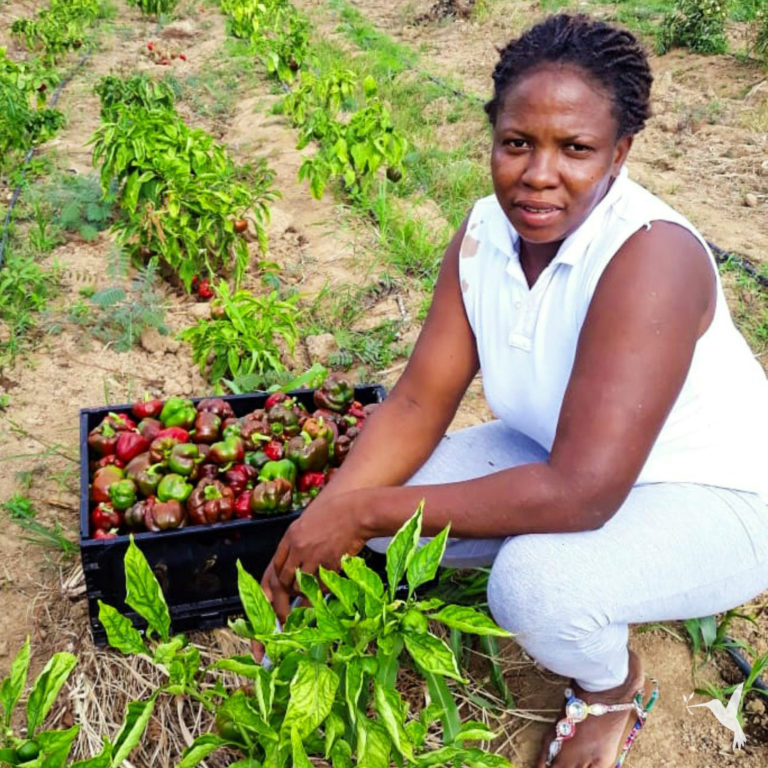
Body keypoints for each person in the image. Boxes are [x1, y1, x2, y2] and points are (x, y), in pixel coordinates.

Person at [260, 13, 768, 768]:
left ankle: (611, 687)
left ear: (620, 153)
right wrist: (335, 514)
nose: (538, 174)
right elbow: (416, 402)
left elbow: (583, 494)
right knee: (392, 495)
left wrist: (364, 511)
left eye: (576, 149)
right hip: (558, 451)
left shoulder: (651, 258)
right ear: (493, 136)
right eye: (518, 142)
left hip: (713, 498)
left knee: (533, 586)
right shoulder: (483, 236)